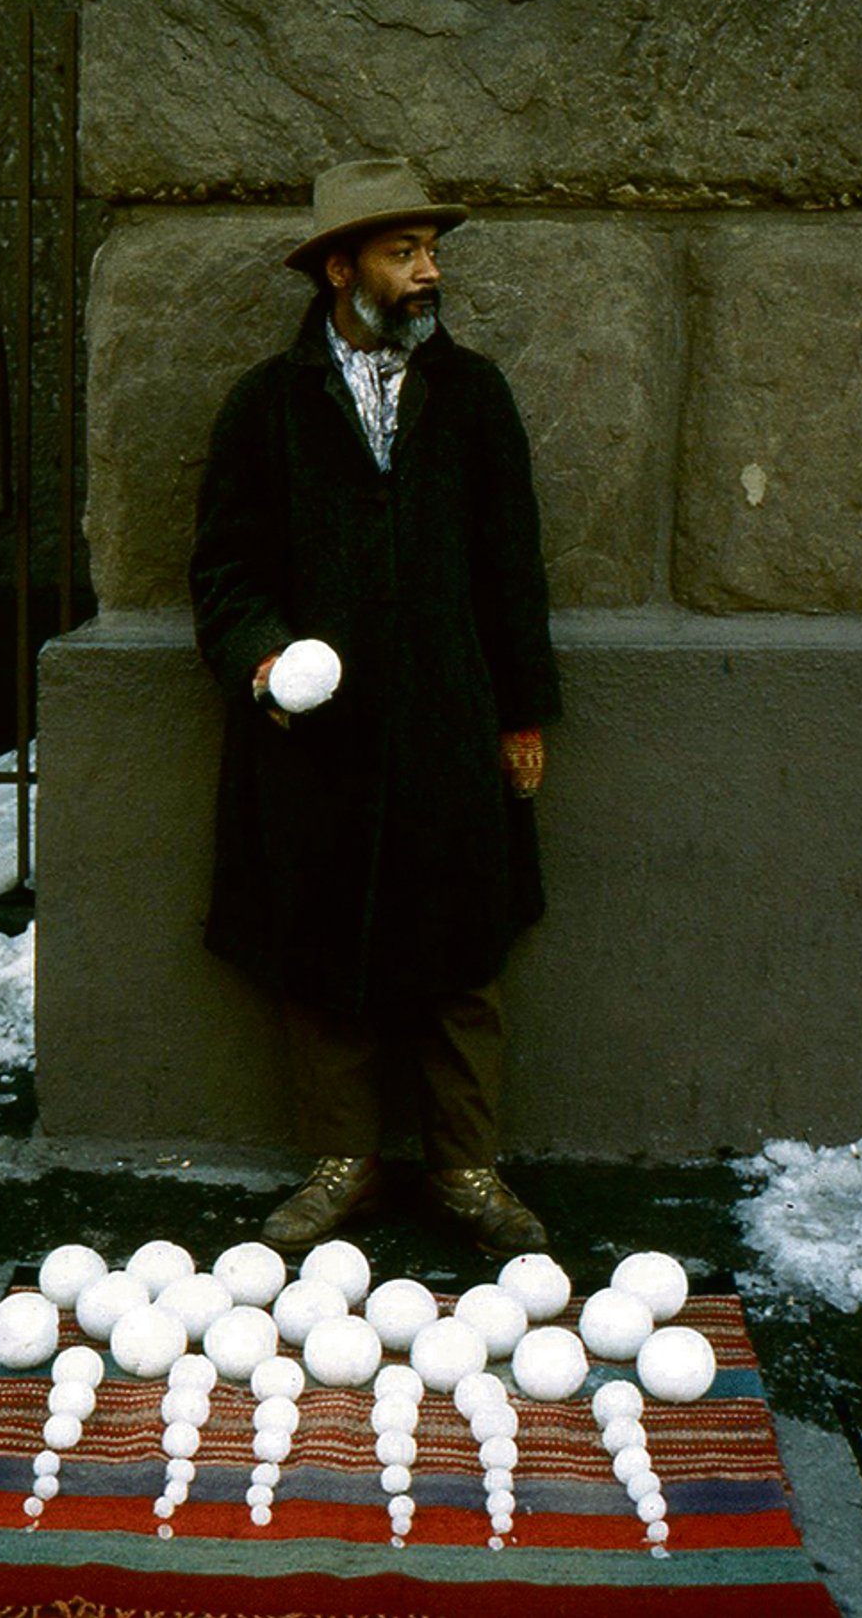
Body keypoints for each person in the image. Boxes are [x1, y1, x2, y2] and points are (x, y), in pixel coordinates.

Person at [189, 158, 561, 1258]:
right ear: (340, 268)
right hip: (318, 740)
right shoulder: (268, 405)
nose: (427, 274)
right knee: (322, 950)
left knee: (466, 951)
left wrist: (522, 716)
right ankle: (342, 1163)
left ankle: (466, 1168)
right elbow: (224, 571)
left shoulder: (474, 394)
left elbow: (513, 567)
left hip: (452, 720)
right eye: (405, 254)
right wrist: (265, 663)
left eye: (430, 253)